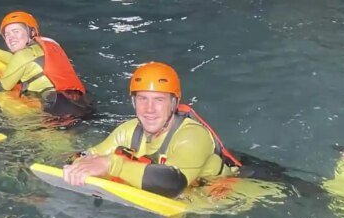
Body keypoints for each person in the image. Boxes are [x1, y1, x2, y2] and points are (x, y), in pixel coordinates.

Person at [62, 61, 239, 196]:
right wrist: (80, 163)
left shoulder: (192, 135)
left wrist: (111, 164)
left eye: (159, 100)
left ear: (174, 103)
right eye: (142, 99)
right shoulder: (128, 131)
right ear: (133, 102)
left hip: (231, 194)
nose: (149, 109)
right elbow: (84, 156)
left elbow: (172, 183)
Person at [0, 11, 96, 121]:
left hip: (60, 113)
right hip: (83, 103)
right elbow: (22, 63)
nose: (10, 37)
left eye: (16, 31)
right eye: (7, 34)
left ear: (31, 32)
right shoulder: (46, 45)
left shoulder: (23, 56)